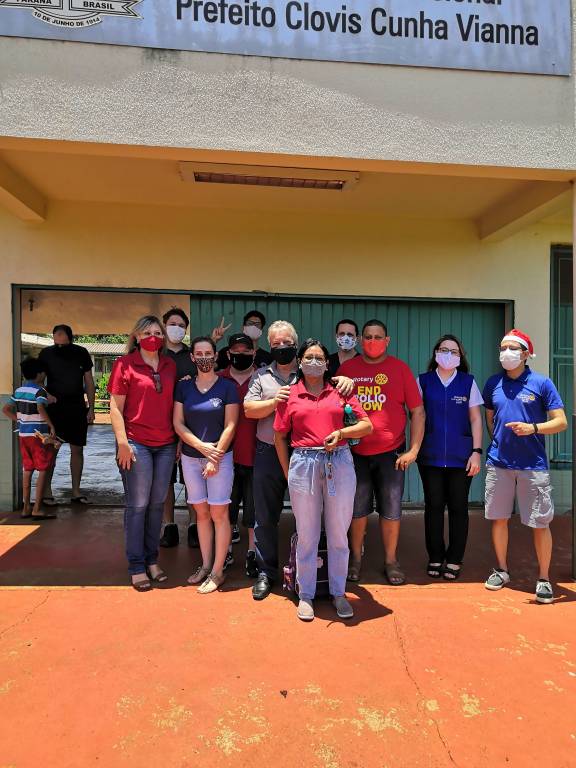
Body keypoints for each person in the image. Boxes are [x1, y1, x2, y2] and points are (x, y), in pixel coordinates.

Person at [245, 320, 354, 601]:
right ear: (269, 346)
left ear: (296, 345)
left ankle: (315, 574)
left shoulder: (310, 370)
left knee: (312, 519)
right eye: (276, 343)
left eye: (287, 343)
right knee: (265, 516)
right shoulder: (261, 376)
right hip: (270, 451)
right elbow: (248, 409)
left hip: (310, 454)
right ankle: (266, 572)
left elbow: (338, 390)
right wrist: (274, 401)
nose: (282, 347)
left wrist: (349, 380)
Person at [274, 339, 372, 621]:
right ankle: (305, 593)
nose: (314, 362)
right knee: (307, 533)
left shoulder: (340, 390)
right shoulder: (290, 394)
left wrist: (342, 433)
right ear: (299, 361)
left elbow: (366, 425)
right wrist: (289, 473)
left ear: (328, 364)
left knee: (339, 532)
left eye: (319, 358)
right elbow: (279, 436)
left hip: (338, 460)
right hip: (303, 462)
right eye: (308, 357)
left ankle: (338, 592)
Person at [482, 329, 567, 604]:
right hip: (499, 463)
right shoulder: (493, 383)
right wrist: (499, 442)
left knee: (540, 522)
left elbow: (561, 421)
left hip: (533, 465)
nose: (506, 353)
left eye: (512, 348)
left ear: (526, 353)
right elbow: (490, 418)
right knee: (499, 518)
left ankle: (544, 578)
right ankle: (501, 570)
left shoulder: (542, 383)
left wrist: (533, 428)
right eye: (502, 348)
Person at [337, 319, 425, 586]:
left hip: (391, 454)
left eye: (378, 337)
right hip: (355, 454)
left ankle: (390, 561)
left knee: (391, 511)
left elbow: (417, 412)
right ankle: (355, 559)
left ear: (387, 341)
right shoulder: (347, 369)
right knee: (356, 511)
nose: (372, 342)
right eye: (368, 337)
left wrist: (414, 450)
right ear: (361, 340)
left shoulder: (400, 369)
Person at [108, 315, 178, 591]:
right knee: (137, 505)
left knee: (157, 505)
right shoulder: (124, 364)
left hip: (166, 444)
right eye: (147, 332)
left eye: (158, 333)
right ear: (136, 336)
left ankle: (152, 559)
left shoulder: (170, 365)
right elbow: (115, 408)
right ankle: (136, 565)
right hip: (136, 444)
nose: (153, 337)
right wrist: (122, 443)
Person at [173, 336, 239, 594]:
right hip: (191, 458)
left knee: (219, 514)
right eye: (198, 354)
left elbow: (231, 425)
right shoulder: (183, 387)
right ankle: (206, 565)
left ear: (215, 356)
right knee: (201, 514)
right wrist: (201, 447)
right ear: (192, 357)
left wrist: (214, 456)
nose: (204, 358)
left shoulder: (227, 387)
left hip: (220, 458)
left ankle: (218, 571)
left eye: (208, 353)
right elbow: (178, 423)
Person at [417, 335, 483, 580]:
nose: (448, 355)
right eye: (444, 349)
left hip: (461, 458)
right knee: (433, 507)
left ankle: (454, 559)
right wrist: (414, 448)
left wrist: (476, 452)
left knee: (458, 507)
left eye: (454, 351)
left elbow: (476, 418)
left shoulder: (468, 382)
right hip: (430, 456)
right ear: (435, 353)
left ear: (460, 356)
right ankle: (435, 556)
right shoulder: (423, 381)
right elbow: (417, 417)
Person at [38, 324, 95, 505]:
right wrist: (46, 395)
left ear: (69, 336)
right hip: (54, 410)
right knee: (52, 450)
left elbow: (89, 381)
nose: (57, 336)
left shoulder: (81, 352)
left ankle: (76, 491)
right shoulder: (46, 353)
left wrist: (91, 408)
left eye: (61, 333)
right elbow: (39, 380)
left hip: (77, 408)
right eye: (55, 333)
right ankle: (47, 492)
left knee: (77, 450)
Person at [218, 332, 259, 577]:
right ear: (228, 354)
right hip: (225, 457)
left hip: (256, 456)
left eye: (246, 351)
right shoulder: (218, 379)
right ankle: (226, 551)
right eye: (236, 351)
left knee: (254, 510)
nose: (240, 355)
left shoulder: (263, 378)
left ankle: (252, 552)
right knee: (226, 508)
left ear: (254, 353)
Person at [160, 306, 198, 549]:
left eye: (181, 325)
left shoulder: (190, 355)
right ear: (164, 326)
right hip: (161, 424)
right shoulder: (156, 354)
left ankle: (194, 526)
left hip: (190, 424)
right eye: (172, 324)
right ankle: (169, 526)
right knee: (165, 479)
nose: (177, 328)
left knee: (191, 478)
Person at [3, 357, 59, 520]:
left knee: (27, 470)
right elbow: (40, 407)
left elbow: (5, 409)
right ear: (40, 374)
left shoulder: (19, 391)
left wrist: (20, 421)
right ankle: (37, 509)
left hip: (23, 435)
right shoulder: (39, 391)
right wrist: (51, 425)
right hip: (38, 436)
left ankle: (26, 508)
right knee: (42, 470)